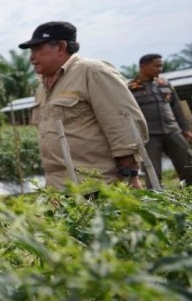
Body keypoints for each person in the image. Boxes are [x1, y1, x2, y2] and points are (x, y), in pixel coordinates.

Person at [20, 21, 147, 189]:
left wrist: (129, 173)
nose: (31, 57)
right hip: (58, 187)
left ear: (61, 47)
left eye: (37, 49)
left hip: (98, 183)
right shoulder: (42, 87)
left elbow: (122, 121)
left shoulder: (92, 71)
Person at [129, 53, 192, 186]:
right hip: (149, 136)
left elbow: (176, 108)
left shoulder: (165, 83)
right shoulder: (131, 88)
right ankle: (156, 199)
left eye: (161, 65)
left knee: (187, 163)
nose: (160, 69)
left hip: (172, 131)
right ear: (143, 66)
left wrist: (186, 129)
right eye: (156, 66)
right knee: (152, 171)